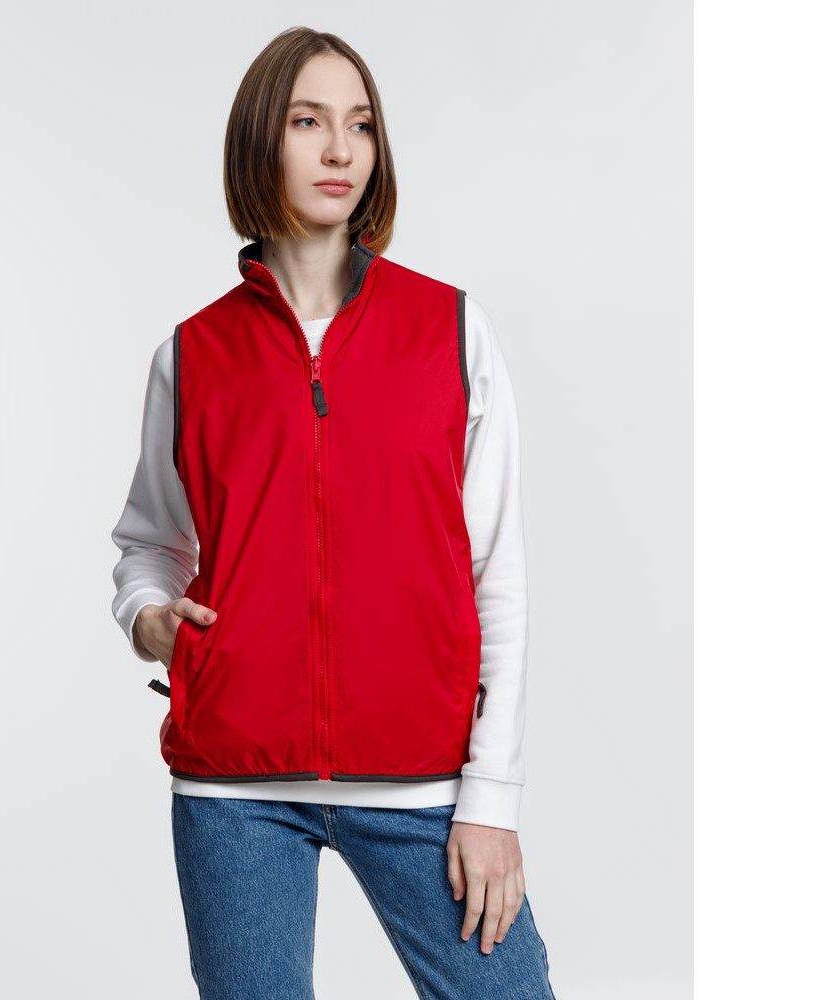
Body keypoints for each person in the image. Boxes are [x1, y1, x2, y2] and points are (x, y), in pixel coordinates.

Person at [110, 26, 557, 1000]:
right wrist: (148, 618)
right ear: (260, 140)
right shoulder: (191, 356)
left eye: (360, 124)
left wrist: (491, 795)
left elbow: (498, 574)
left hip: (425, 782)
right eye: (308, 121)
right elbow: (149, 542)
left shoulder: (450, 330)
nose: (340, 149)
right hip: (234, 788)